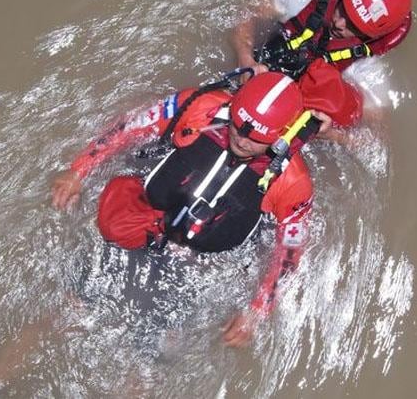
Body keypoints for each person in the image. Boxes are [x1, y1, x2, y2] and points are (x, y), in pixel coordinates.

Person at [51, 72, 317, 347]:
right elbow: (131, 127)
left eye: (255, 139)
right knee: (67, 307)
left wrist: (257, 311)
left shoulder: (293, 184)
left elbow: (289, 252)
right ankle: (2, 381)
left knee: (150, 357)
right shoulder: (199, 106)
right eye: (236, 126)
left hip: (195, 266)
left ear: (283, 136)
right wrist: (78, 171)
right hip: (144, 220)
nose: (240, 140)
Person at [231, 0, 413, 79]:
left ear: (371, 37)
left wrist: (328, 132)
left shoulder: (366, 69)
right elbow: (248, 10)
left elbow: (377, 132)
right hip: (255, 63)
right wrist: (244, 56)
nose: (339, 24)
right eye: (343, 10)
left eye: (353, 27)